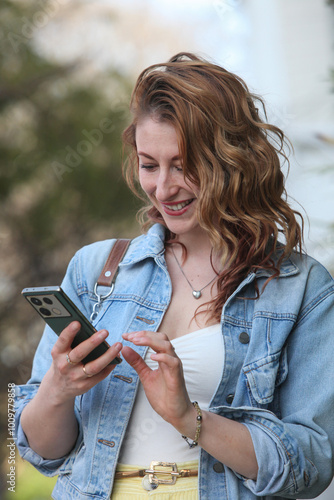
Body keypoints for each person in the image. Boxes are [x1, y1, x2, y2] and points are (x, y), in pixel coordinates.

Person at [14, 52, 334, 500]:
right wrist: (57, 390)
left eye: (183, 166)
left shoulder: (300, 290)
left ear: (232, 160)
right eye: (149, 165)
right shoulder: (97, 271)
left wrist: (189, 417)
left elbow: (311, 465)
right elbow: (42, 452)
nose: (163, 188)